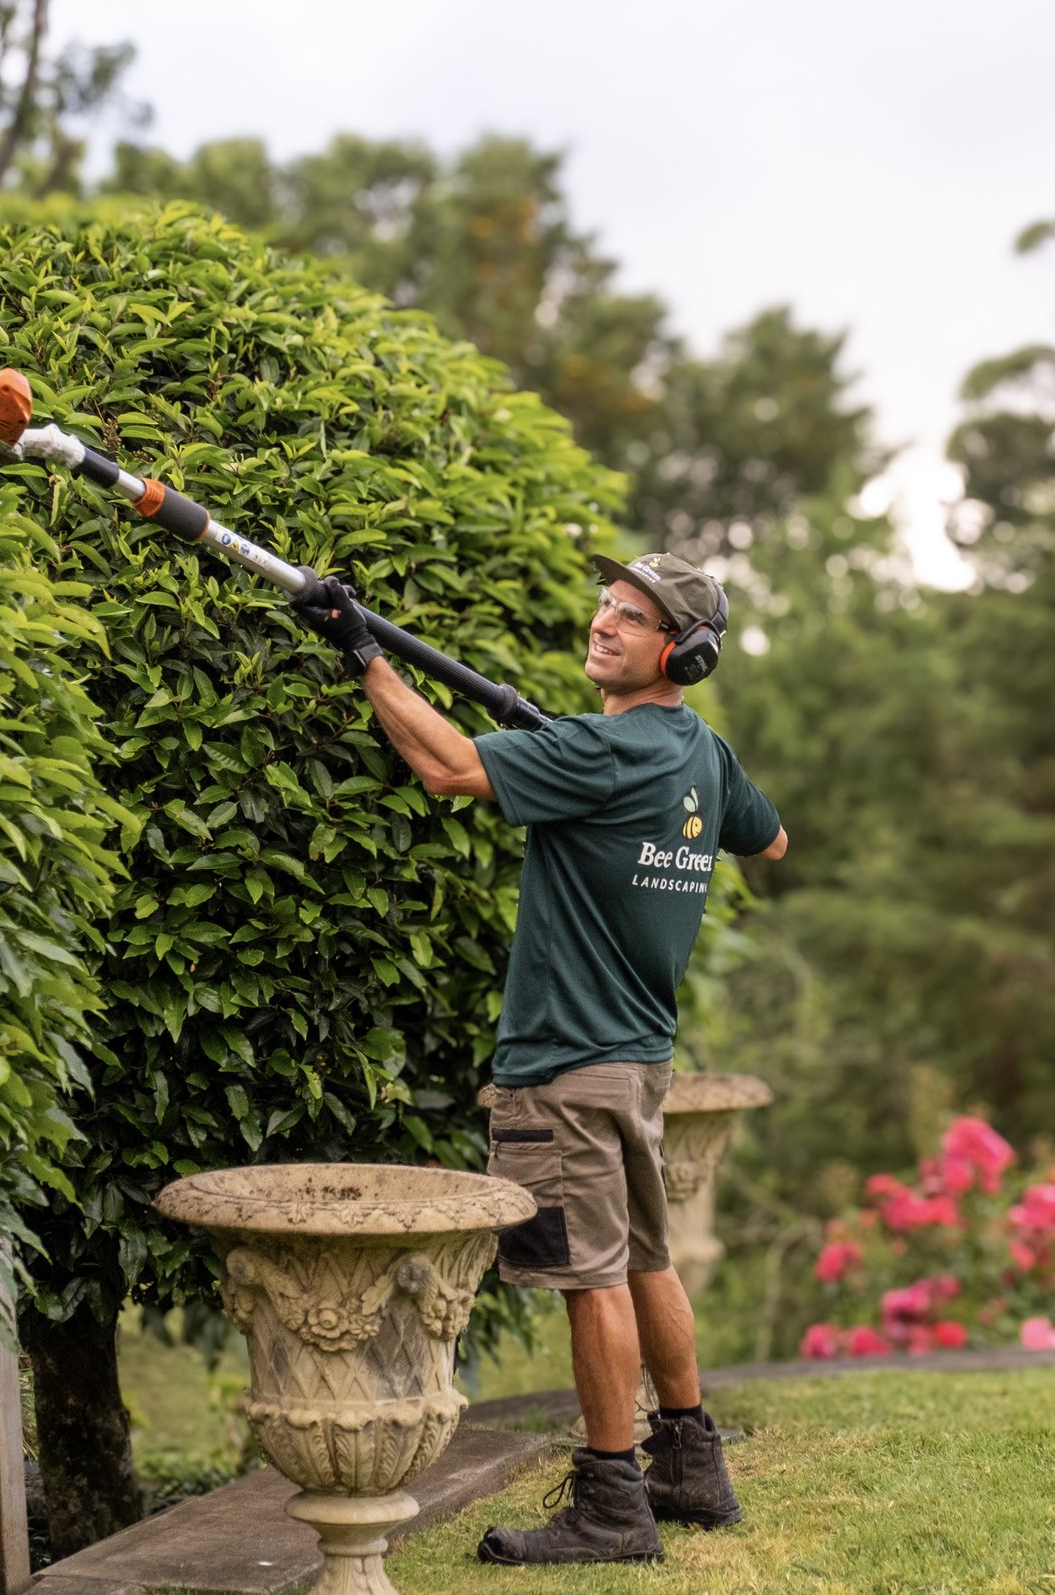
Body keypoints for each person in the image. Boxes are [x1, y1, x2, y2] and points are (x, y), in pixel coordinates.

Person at [293, 550, 787, 1568]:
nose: (604, 623)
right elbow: (768, 840)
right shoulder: (697, 751)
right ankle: (690, 1462)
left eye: (633, 616)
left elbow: (444, 767)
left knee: (592, 1279)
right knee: (645, 1258)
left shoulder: (601, 753)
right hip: (639, 1059)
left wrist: (362, 653)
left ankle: (613, 1502)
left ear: (683, 651)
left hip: (566, 1061)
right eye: (605, 605)